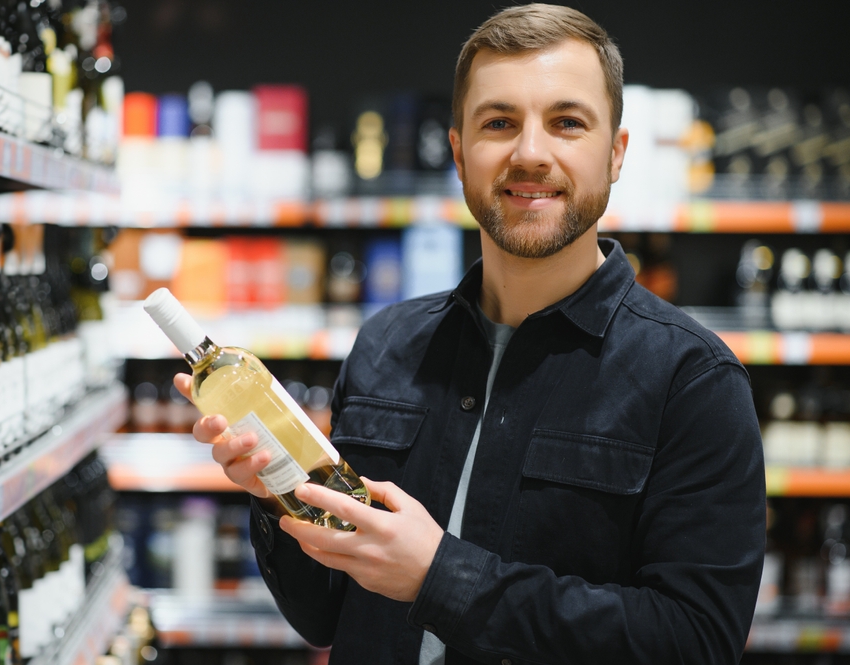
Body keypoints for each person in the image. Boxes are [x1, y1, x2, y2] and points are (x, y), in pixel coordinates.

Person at [175, 4, 765, 664]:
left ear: (617, 153)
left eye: (567, 123)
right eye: (499, 123)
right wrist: (275, 493)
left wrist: (441, 576)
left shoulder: (694, 381)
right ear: (459, 152)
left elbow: (696, 643)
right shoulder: (385, 347)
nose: (530, 152)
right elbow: (323, 613)